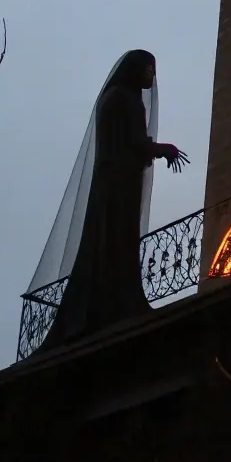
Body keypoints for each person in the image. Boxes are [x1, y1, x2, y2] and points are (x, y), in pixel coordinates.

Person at [31, 50, 188, 346]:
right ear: (136, 69)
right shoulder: (123, 100)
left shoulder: (116, 98)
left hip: (116, 184)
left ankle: (109, 300)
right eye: (148, 69)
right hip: (118, 186)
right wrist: (163, 149)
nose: (152, 76)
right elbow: (132, 144)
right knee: (115, 238)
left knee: (112, 239)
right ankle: (113, 301)